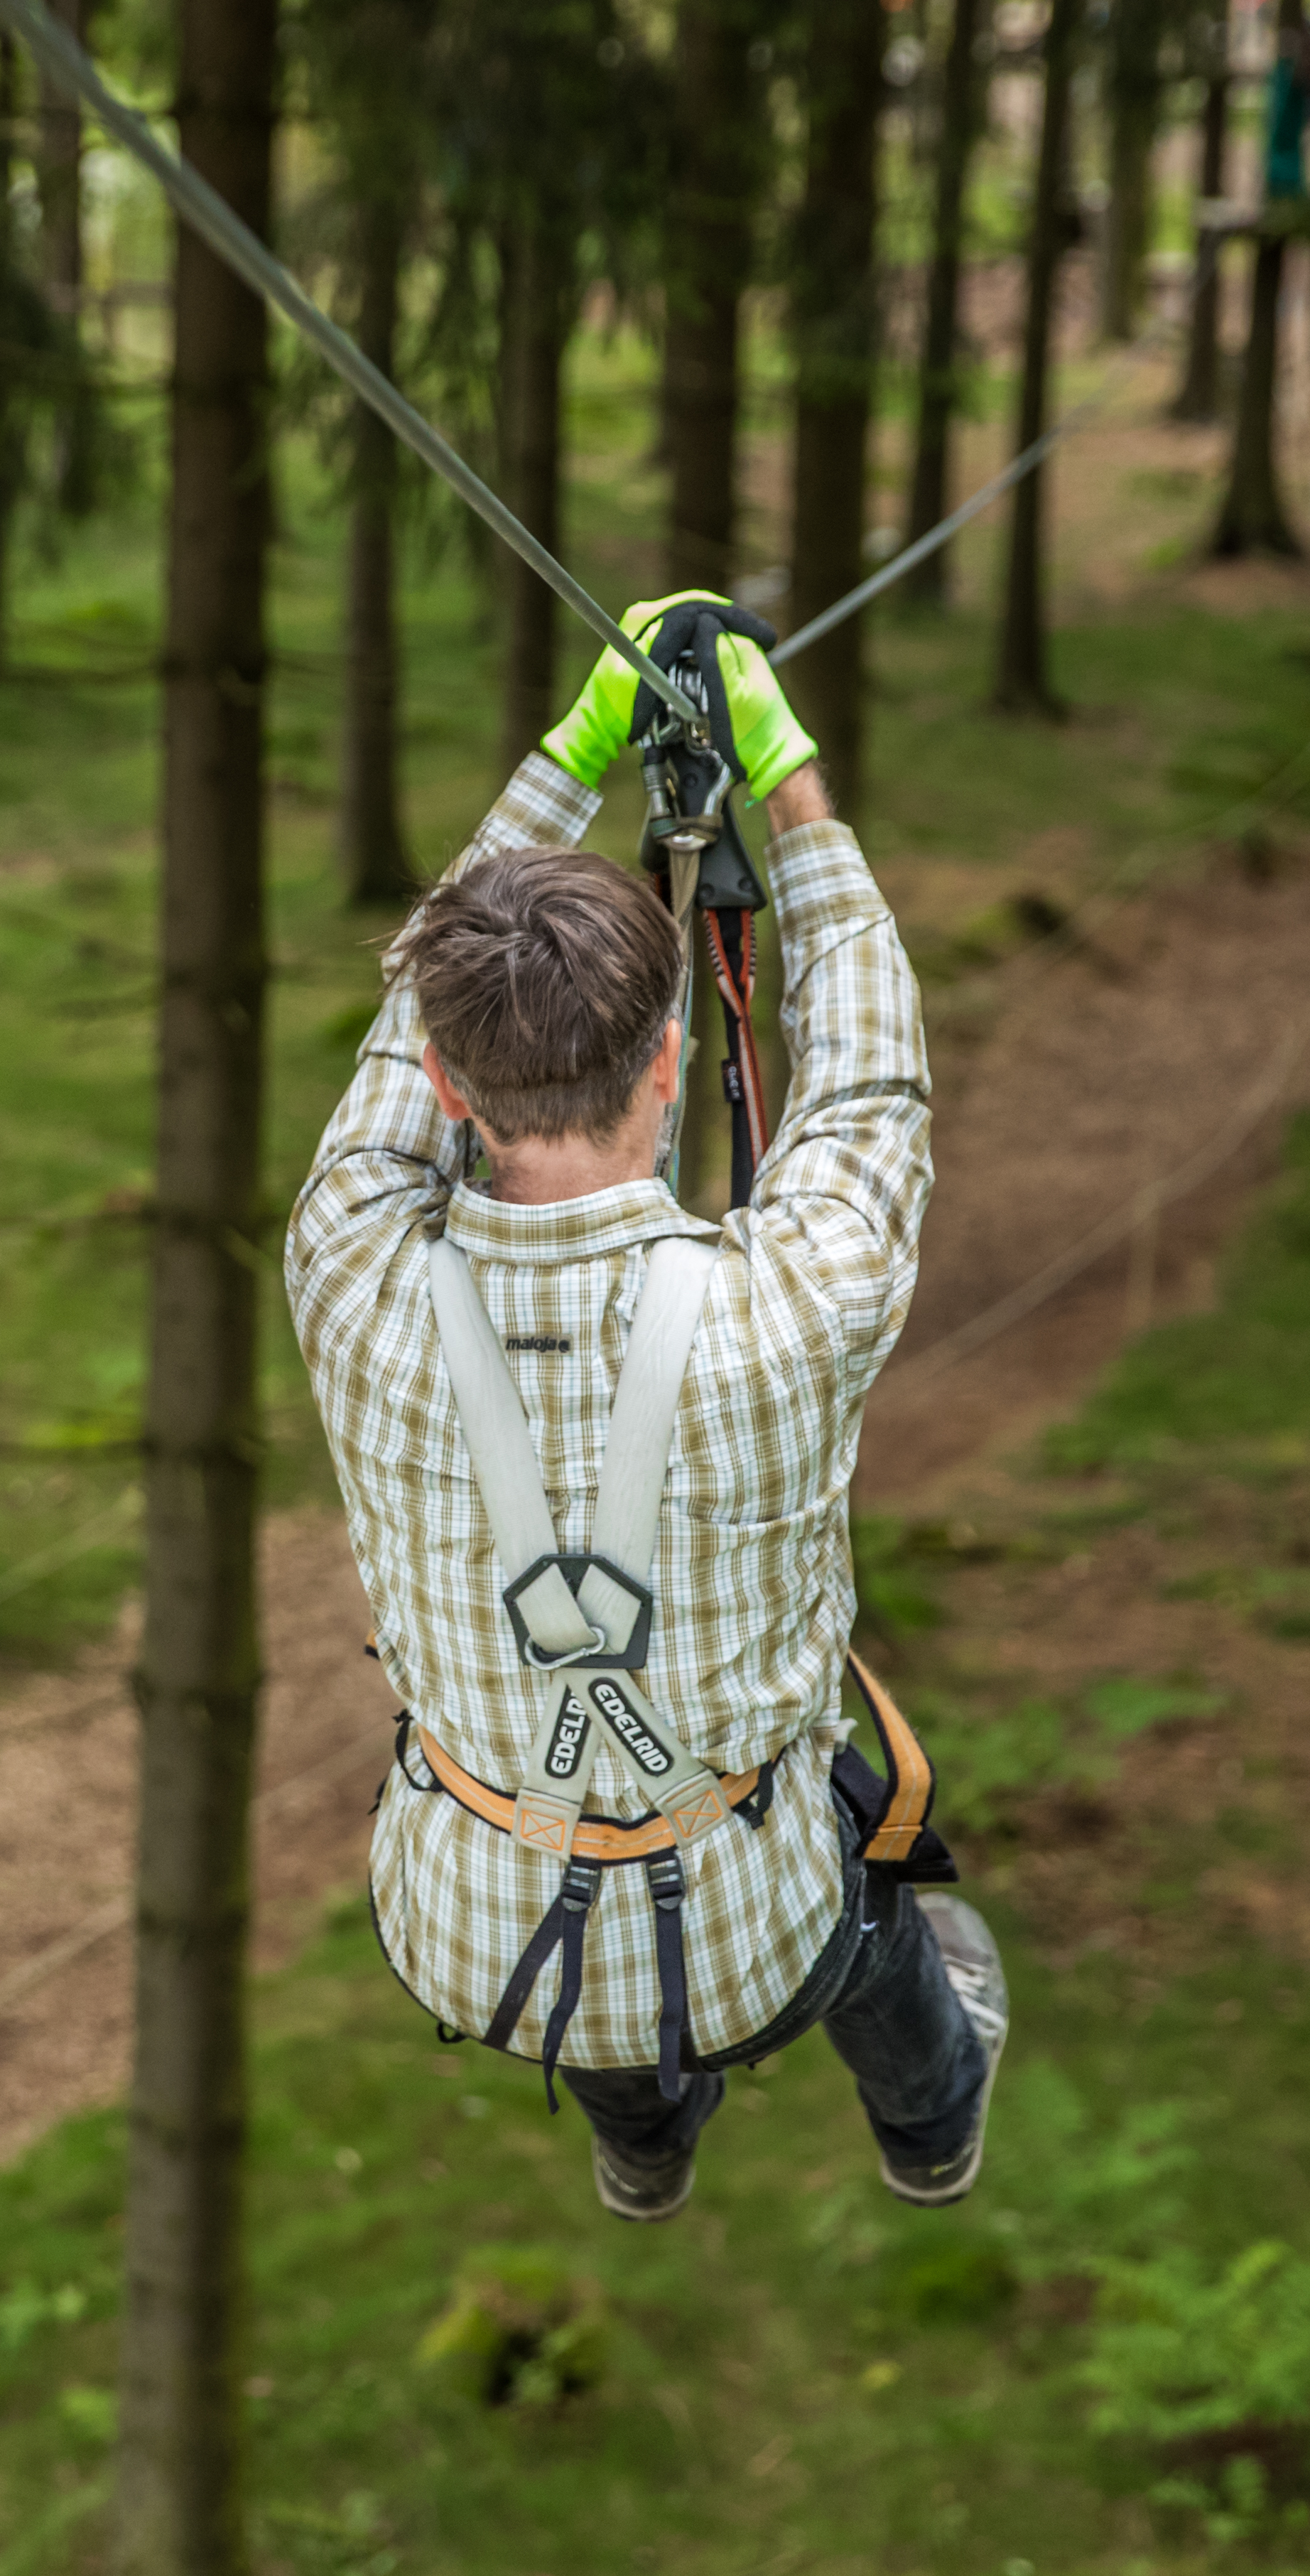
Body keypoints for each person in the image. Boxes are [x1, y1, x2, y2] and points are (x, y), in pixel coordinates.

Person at [285, 594, 1008, 2224]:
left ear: (455, 1093)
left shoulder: (346, 1267)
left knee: (605, 1939)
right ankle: (932, 2128)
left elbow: (408, 1024)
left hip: (478, 1915)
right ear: (672, 1063)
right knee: (871, 1886)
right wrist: (792, 781)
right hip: (752, 1914)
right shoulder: (791, 1306)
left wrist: (572, 751)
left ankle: (642, 2146)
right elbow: (873, 1078)